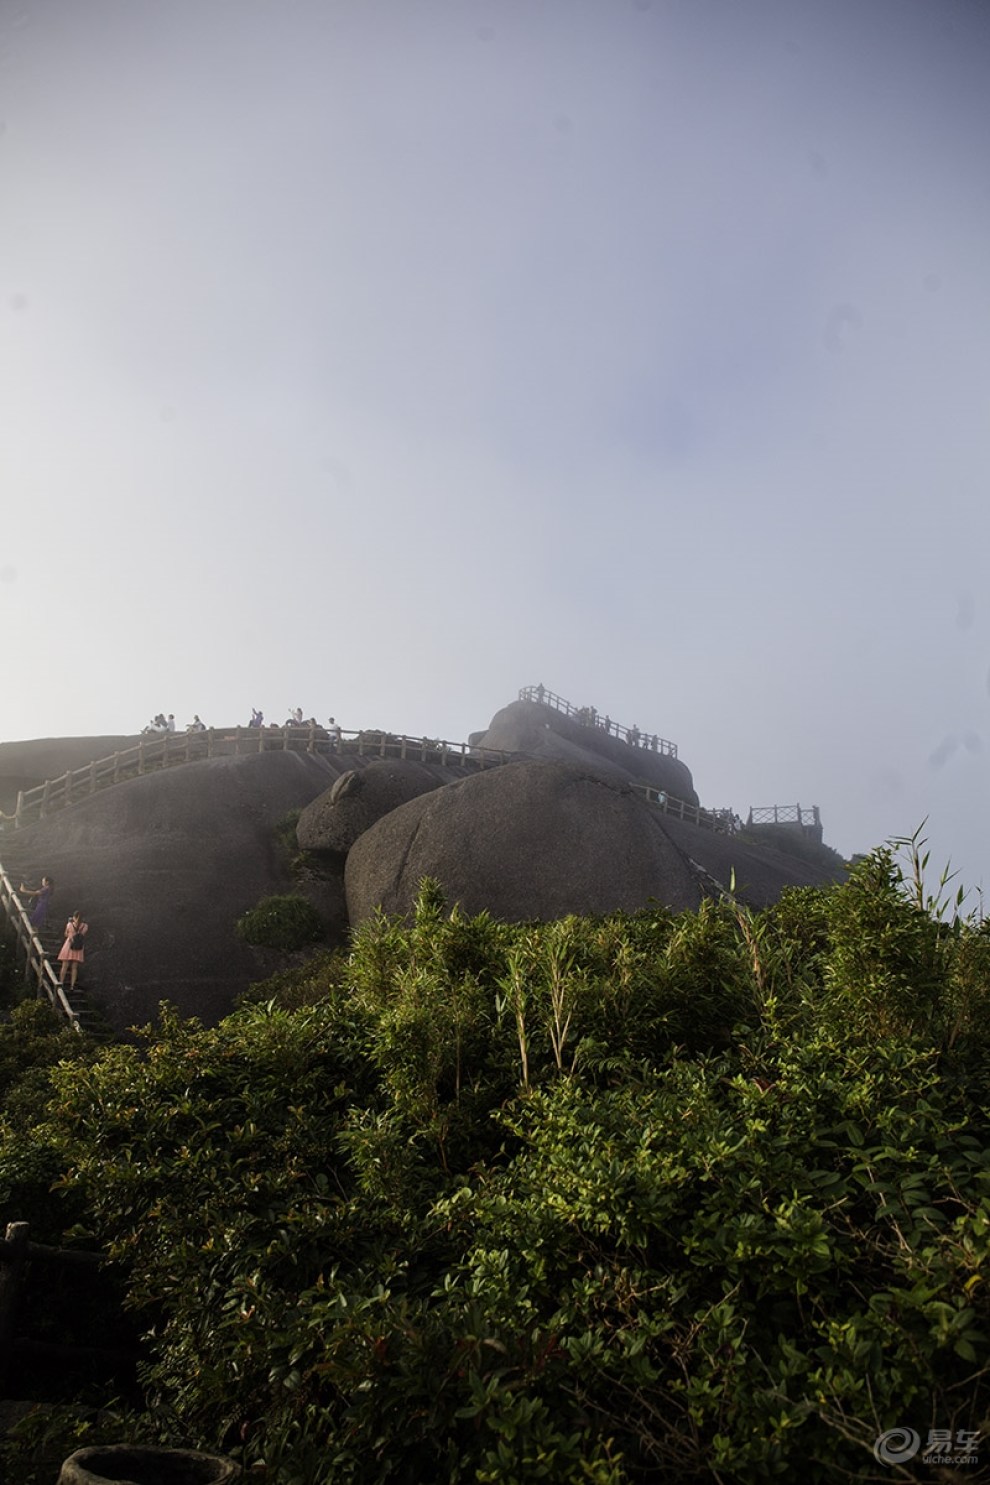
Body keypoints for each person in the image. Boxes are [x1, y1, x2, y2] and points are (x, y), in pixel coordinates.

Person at [57, 911, 88, 991]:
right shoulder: (85, 926)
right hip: (78, 947)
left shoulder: (69, 925)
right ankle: (72, 986)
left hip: (69, 945)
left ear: (74, 917)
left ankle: (61, 982)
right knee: (74, 967)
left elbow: (66, 934)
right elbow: (82, 935)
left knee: (64, 966)